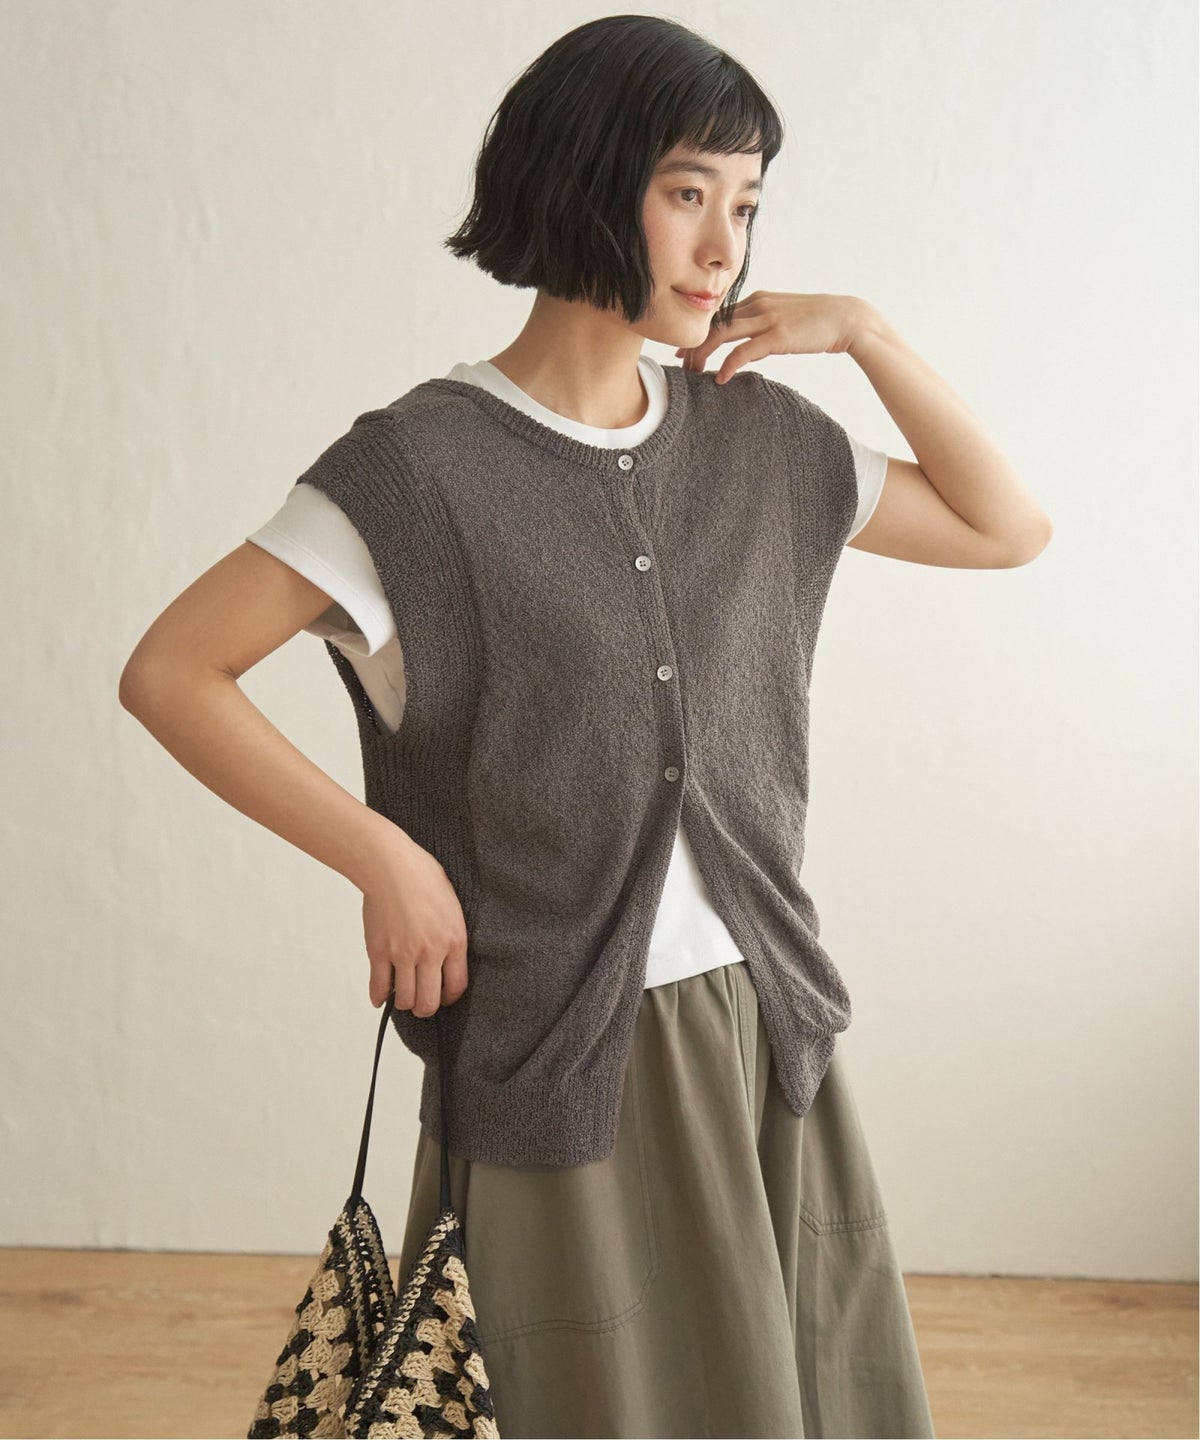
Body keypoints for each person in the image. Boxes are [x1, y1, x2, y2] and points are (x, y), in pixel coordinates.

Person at [119, 13, 1052, 1439]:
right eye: (687, 192)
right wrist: (385, 858)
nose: (724, 247)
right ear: (583, 181)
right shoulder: (417, 474)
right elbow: (173, 672)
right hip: (555, 1052)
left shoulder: (756, 439)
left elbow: (1007, 527)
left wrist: (863, 332)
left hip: (760, 1023)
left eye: (747, 205)